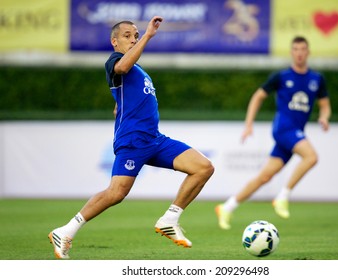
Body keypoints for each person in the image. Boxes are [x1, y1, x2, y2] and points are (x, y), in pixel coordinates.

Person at [48, 16, 214, 259]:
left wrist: (120, 108)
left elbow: (125, 99)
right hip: (133, 140)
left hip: (155, 139)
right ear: (114, 41)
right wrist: (147, 36)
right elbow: (121, 68)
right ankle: (65, 231)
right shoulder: (114, 61)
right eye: (127, 35)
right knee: (116, 193)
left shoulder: (139, 70)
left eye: (135, 35)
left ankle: (170, 219)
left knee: (203, 167)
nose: (133, 38)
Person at [215, 36, 331, 229]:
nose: (299, 53)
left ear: (308, 52)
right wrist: (248, 124)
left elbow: (325, 105)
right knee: (311, 157)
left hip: (294, 133)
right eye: (296, 49)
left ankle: (227, 207)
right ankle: (283, 196)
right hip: (284, 129)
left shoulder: (317, 79)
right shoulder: (282, 77)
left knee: (264, 177)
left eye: (303, 49)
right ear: (291, 52)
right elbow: (258, 96)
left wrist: (324, 117)